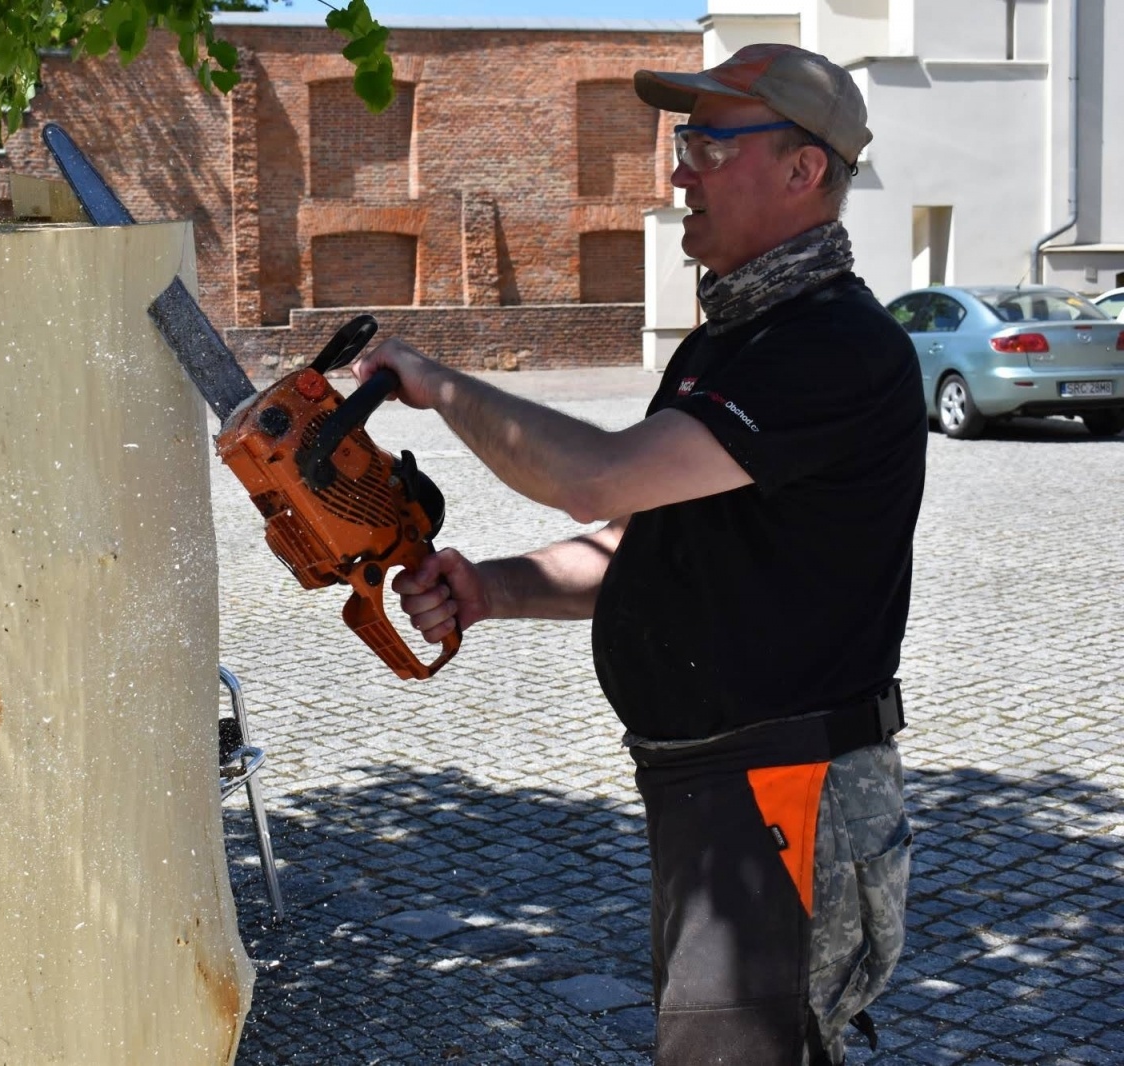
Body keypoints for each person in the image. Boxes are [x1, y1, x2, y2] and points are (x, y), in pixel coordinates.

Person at [350, 43, 925, 1066]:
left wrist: (438, 386)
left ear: (804, 172)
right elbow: (635, 541)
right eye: (682, 140)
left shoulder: (830, 344)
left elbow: (598, 477)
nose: (678, 169)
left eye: (709, 141)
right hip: (714, 784)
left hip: (784, 789)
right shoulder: (728, 343)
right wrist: (491, 588)